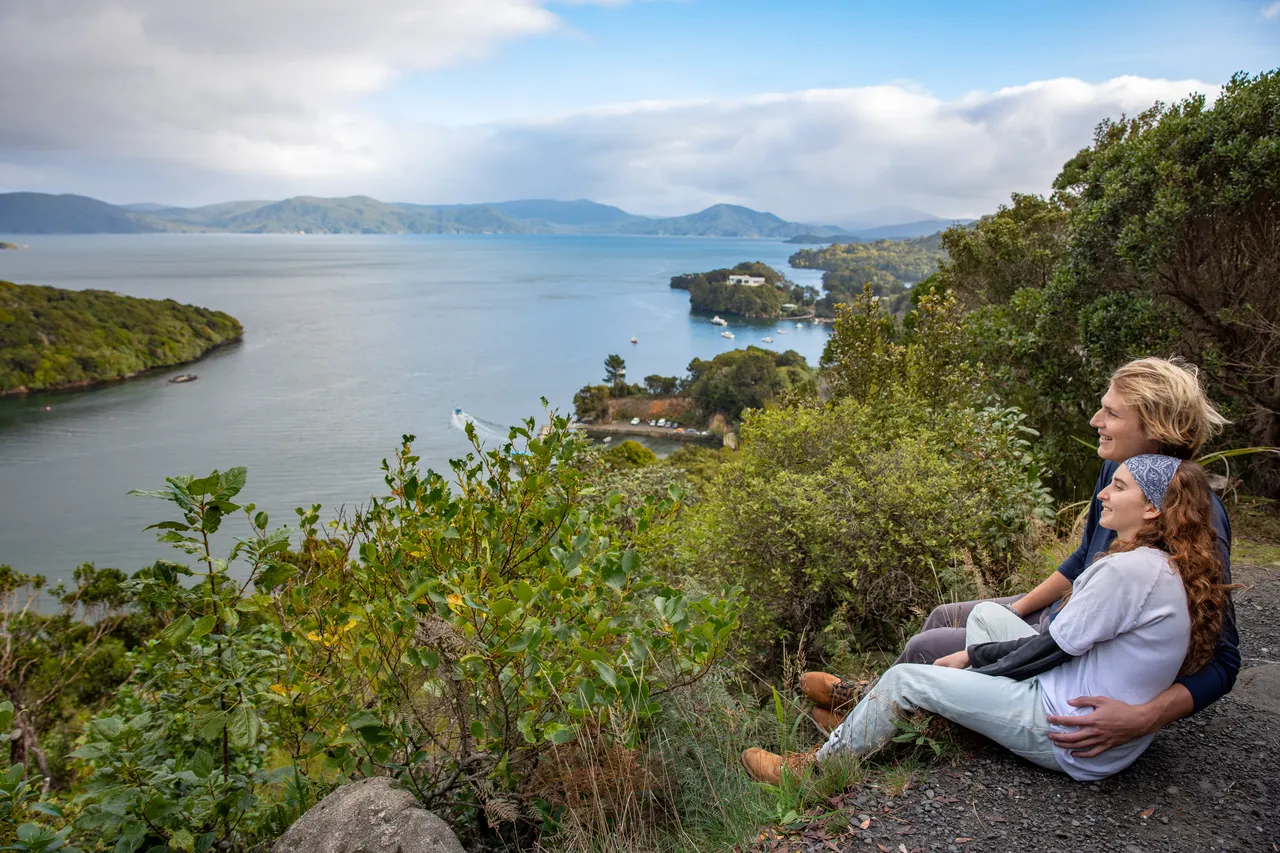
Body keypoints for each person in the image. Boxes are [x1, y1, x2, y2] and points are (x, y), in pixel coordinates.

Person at [800, 357, 1238, 756]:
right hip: (1074, 618)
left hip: (1089, 651)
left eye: (1112, 413)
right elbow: (1085, 555)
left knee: (928, 646)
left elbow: (1223, 661)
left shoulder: (1197, 515)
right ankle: (870, 709)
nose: (1095, 420)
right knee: (946, 615)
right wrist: (1019, 606)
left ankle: (879, 732)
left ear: (1155, 427)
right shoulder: (1116, 470)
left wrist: (1143, 718)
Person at [742, 456, 1231, 784]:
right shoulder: (1160, 563)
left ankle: (811, 769)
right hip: (1084, 710)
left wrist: (963, 664)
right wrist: (974, 663)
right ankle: (879, 719)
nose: (1104, 494)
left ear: (1150, 509)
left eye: (1117, 487)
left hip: (1068, 730)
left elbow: (1048, 650)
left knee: (908, 677)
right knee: (987, 617)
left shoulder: (1128, 571)